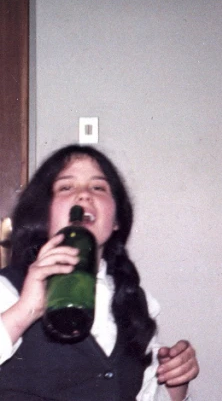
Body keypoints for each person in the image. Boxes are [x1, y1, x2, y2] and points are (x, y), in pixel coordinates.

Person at [0, 144, 199, 400]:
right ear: (44, 214)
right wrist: (27, 309)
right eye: (66, 187)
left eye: (98, 187)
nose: (84, 196)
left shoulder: (137, 304)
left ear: (116, 219)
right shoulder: (8, 290)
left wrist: (175, 381)